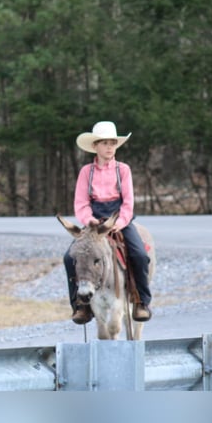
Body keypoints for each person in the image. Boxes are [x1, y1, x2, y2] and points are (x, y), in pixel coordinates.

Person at [63, 120, 152, 324]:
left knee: (139, 254)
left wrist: (119, 222)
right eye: (105, 143)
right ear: (95, 146)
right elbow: (81, 203)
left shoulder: (123, 170)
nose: (110, 147)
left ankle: (141, 301)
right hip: (94, 222)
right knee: (70, 257)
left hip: (119, 219)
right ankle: (81, 305)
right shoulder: (87, 171)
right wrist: (90, 221)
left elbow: (128, 202)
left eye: (113, 143)